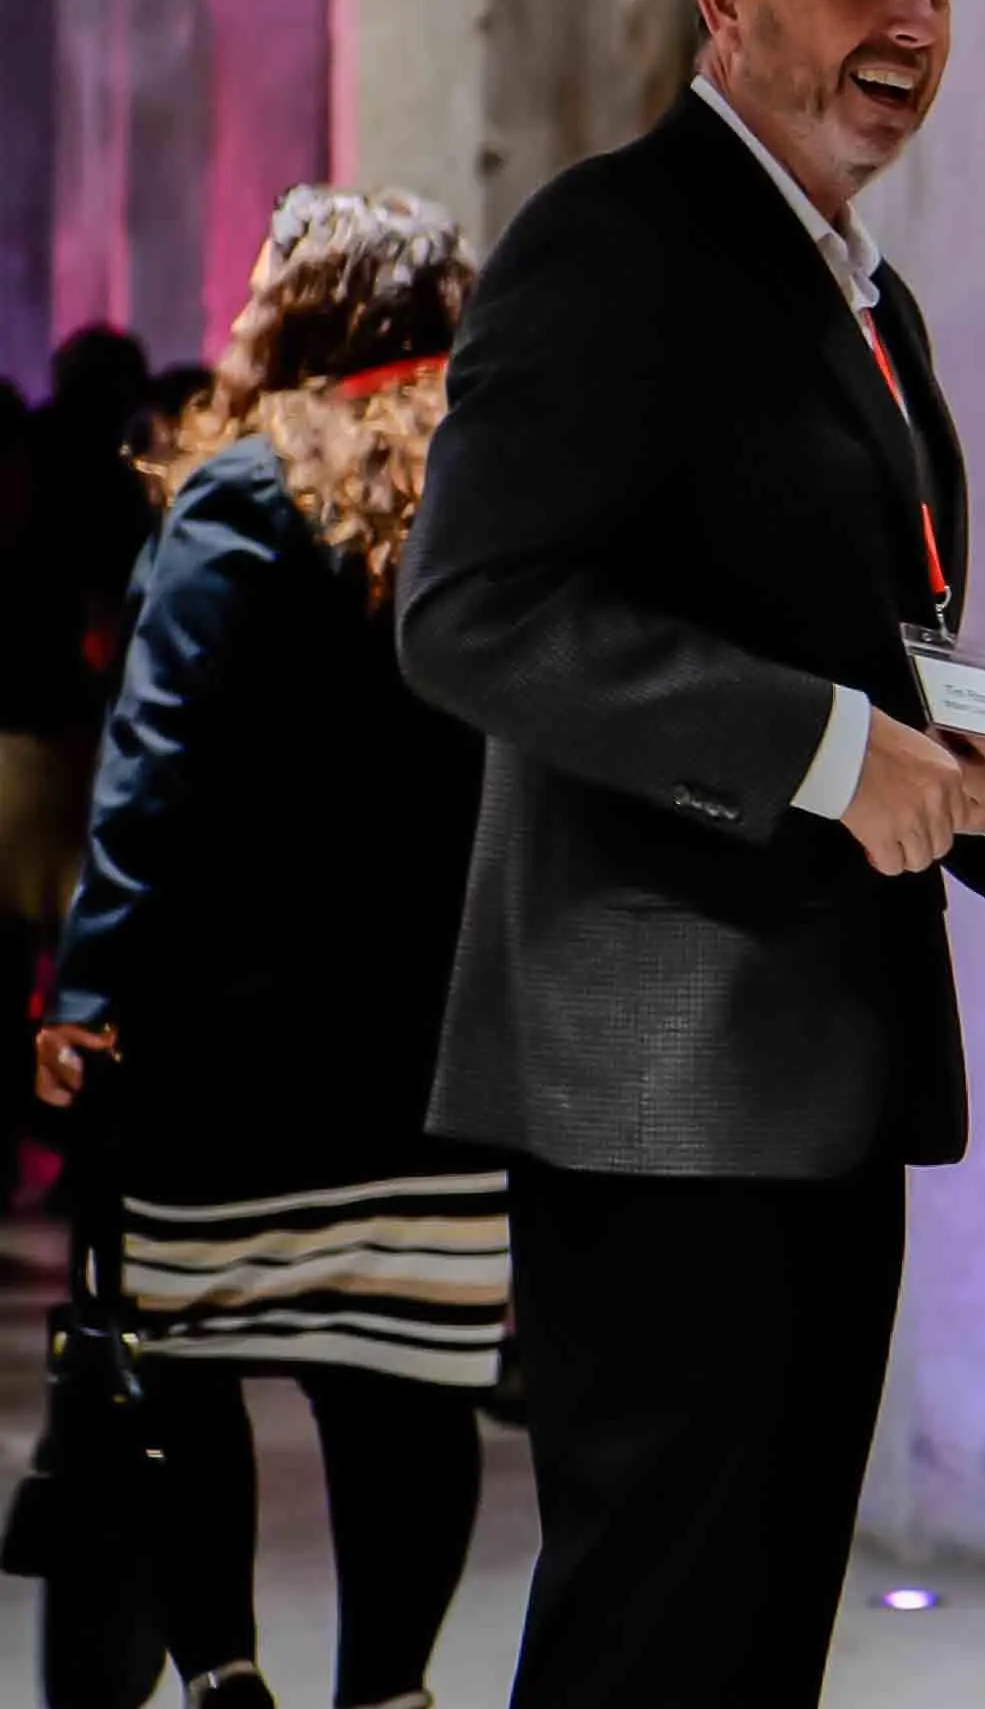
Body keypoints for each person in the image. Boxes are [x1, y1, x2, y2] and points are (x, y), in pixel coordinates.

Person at [396, 0, 985, 1709]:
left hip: (819, 1067)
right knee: (654, 1623)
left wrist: (977, 772)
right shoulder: (615, 240)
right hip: (655, 1088)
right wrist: (824, 749)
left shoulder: (867, 288)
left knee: (760, 1626)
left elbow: (876, 621)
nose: (915, 20)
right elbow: (474, 614)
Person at [34, 188, 501, 1709]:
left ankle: (226, 1679)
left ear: (303, 314)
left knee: (190, 1362)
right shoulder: (498, 502)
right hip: (431, 1042)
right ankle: (391, 1692)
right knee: (403, 1385)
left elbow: (151, 767)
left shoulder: (237, 495)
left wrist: (90, 993)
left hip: (230, 1043)